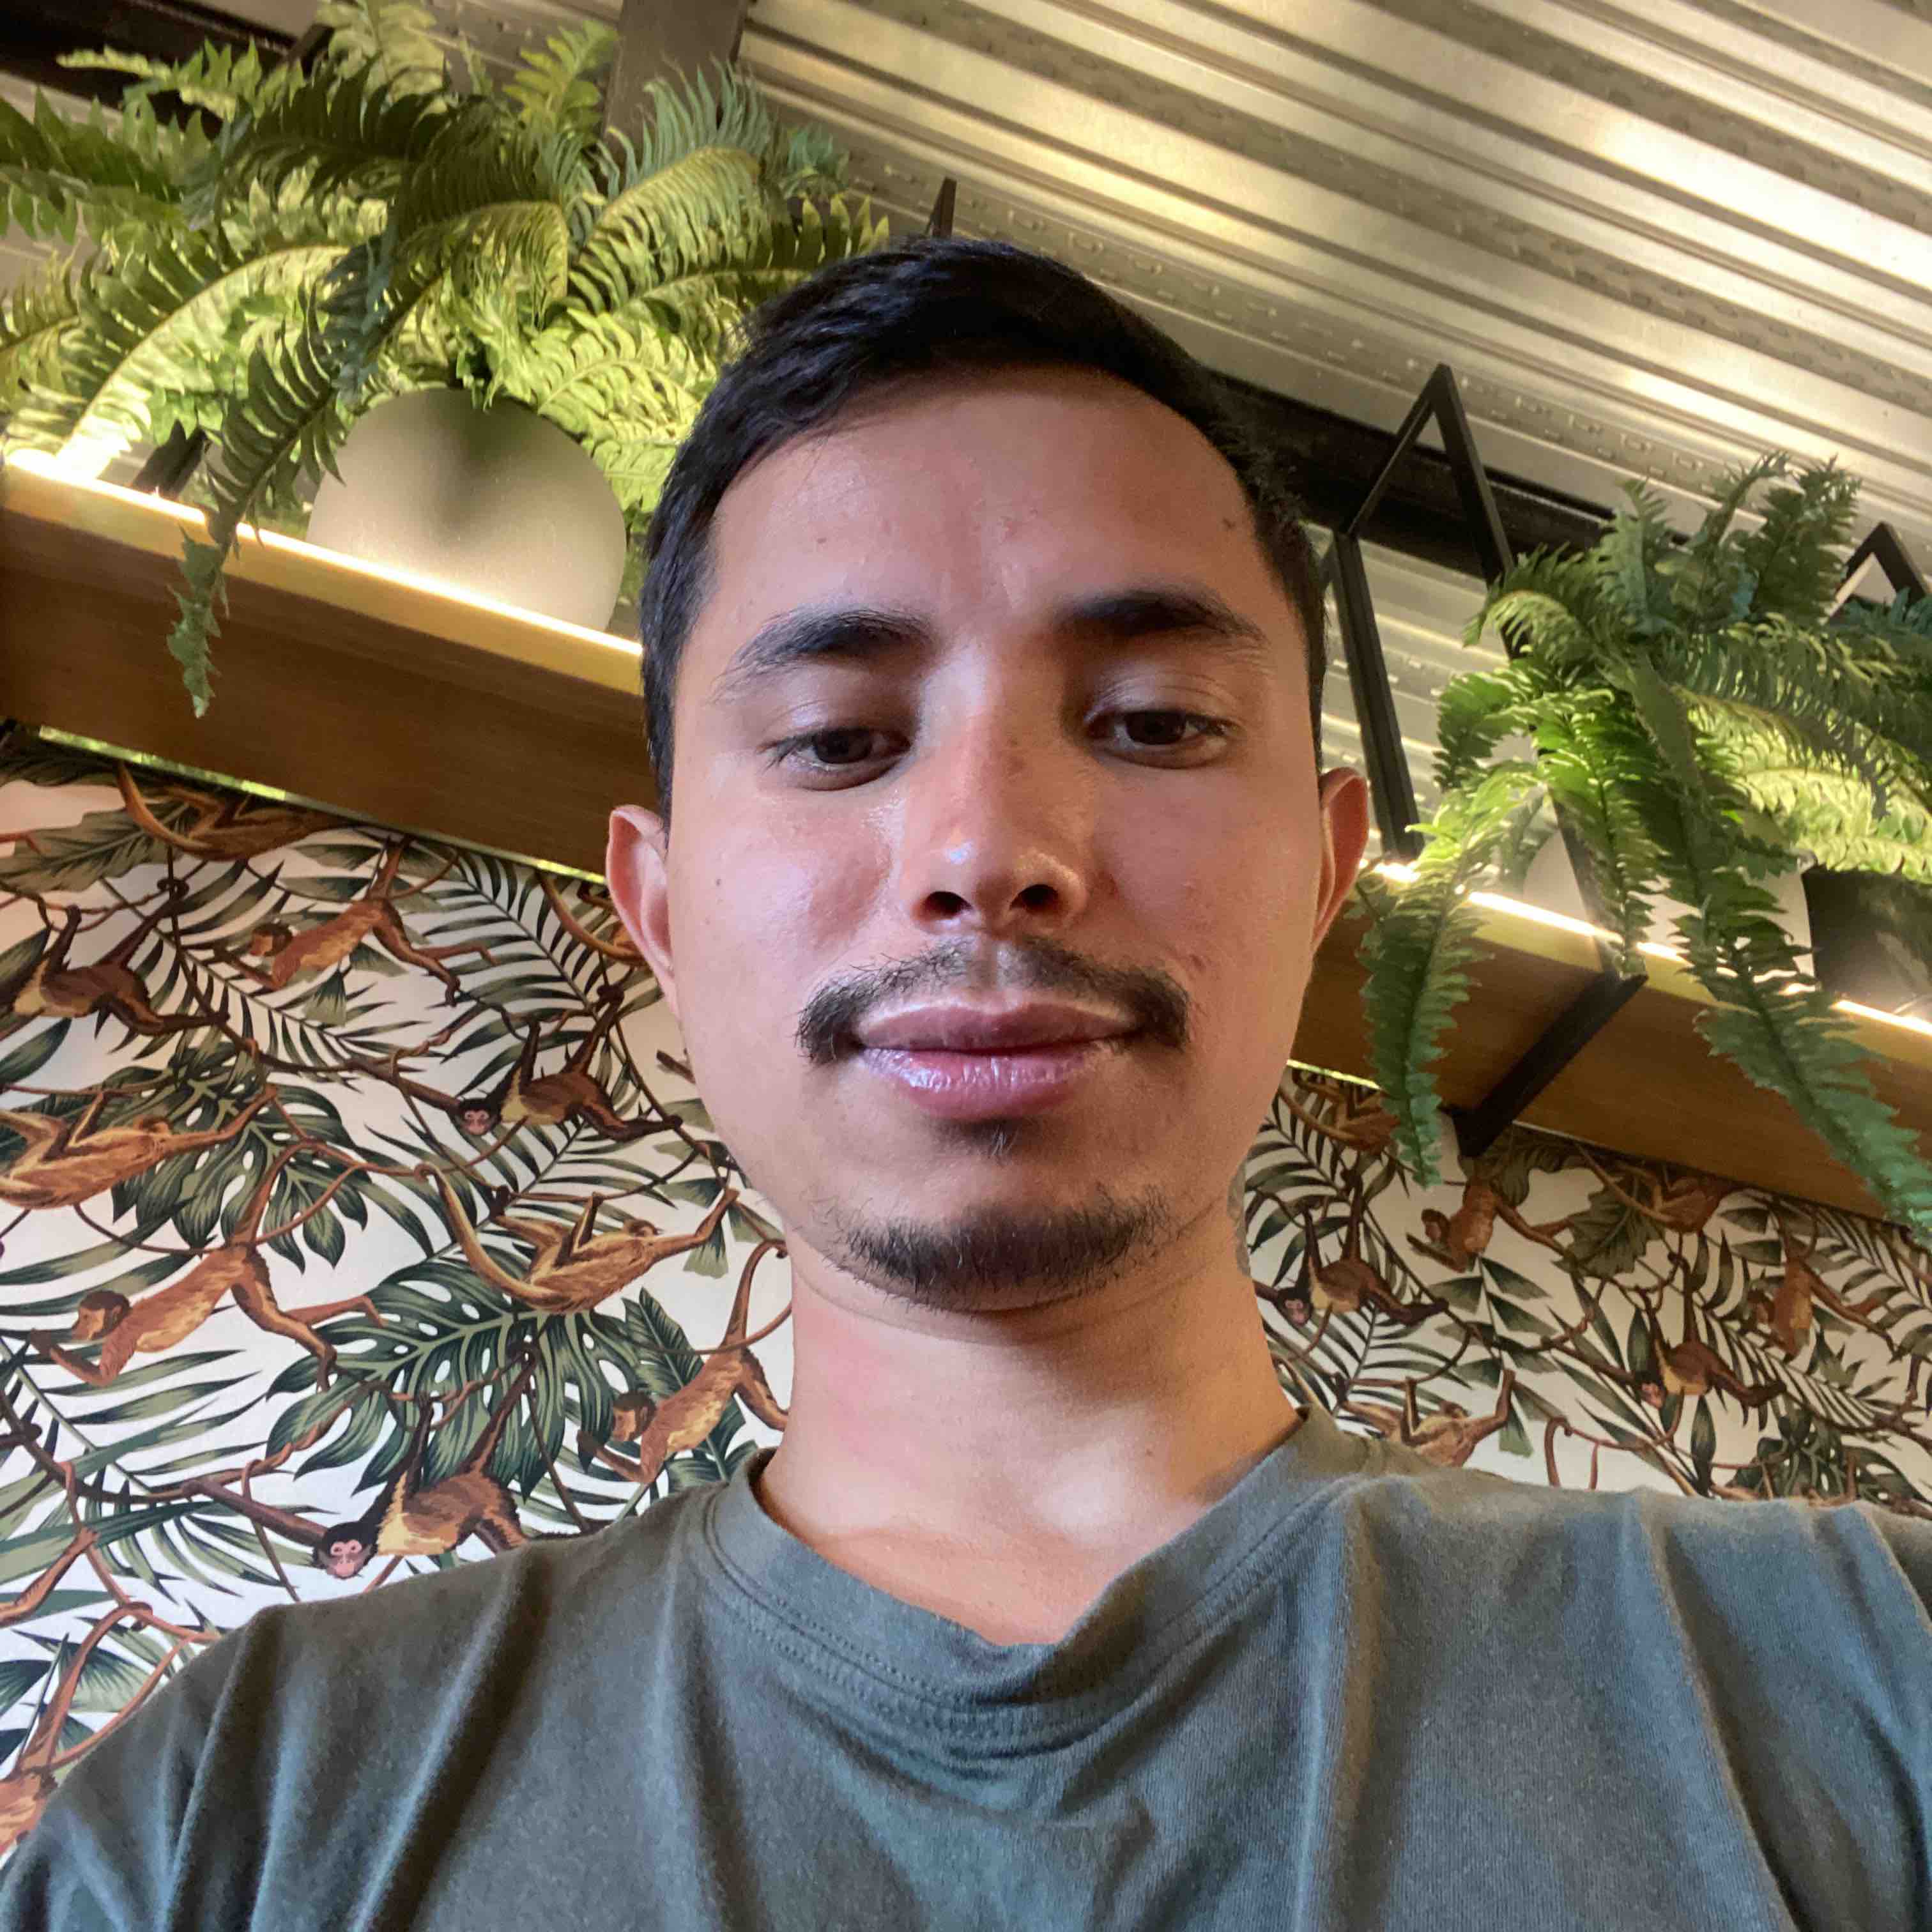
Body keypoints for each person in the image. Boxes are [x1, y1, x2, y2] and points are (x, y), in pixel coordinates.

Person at [4, 237, 1928, 1931]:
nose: (990, 848)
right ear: (660, 909)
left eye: (1156, 723)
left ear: (1327, 875)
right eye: (841, 739)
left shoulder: (1865, 1687)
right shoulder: (238, 1816)